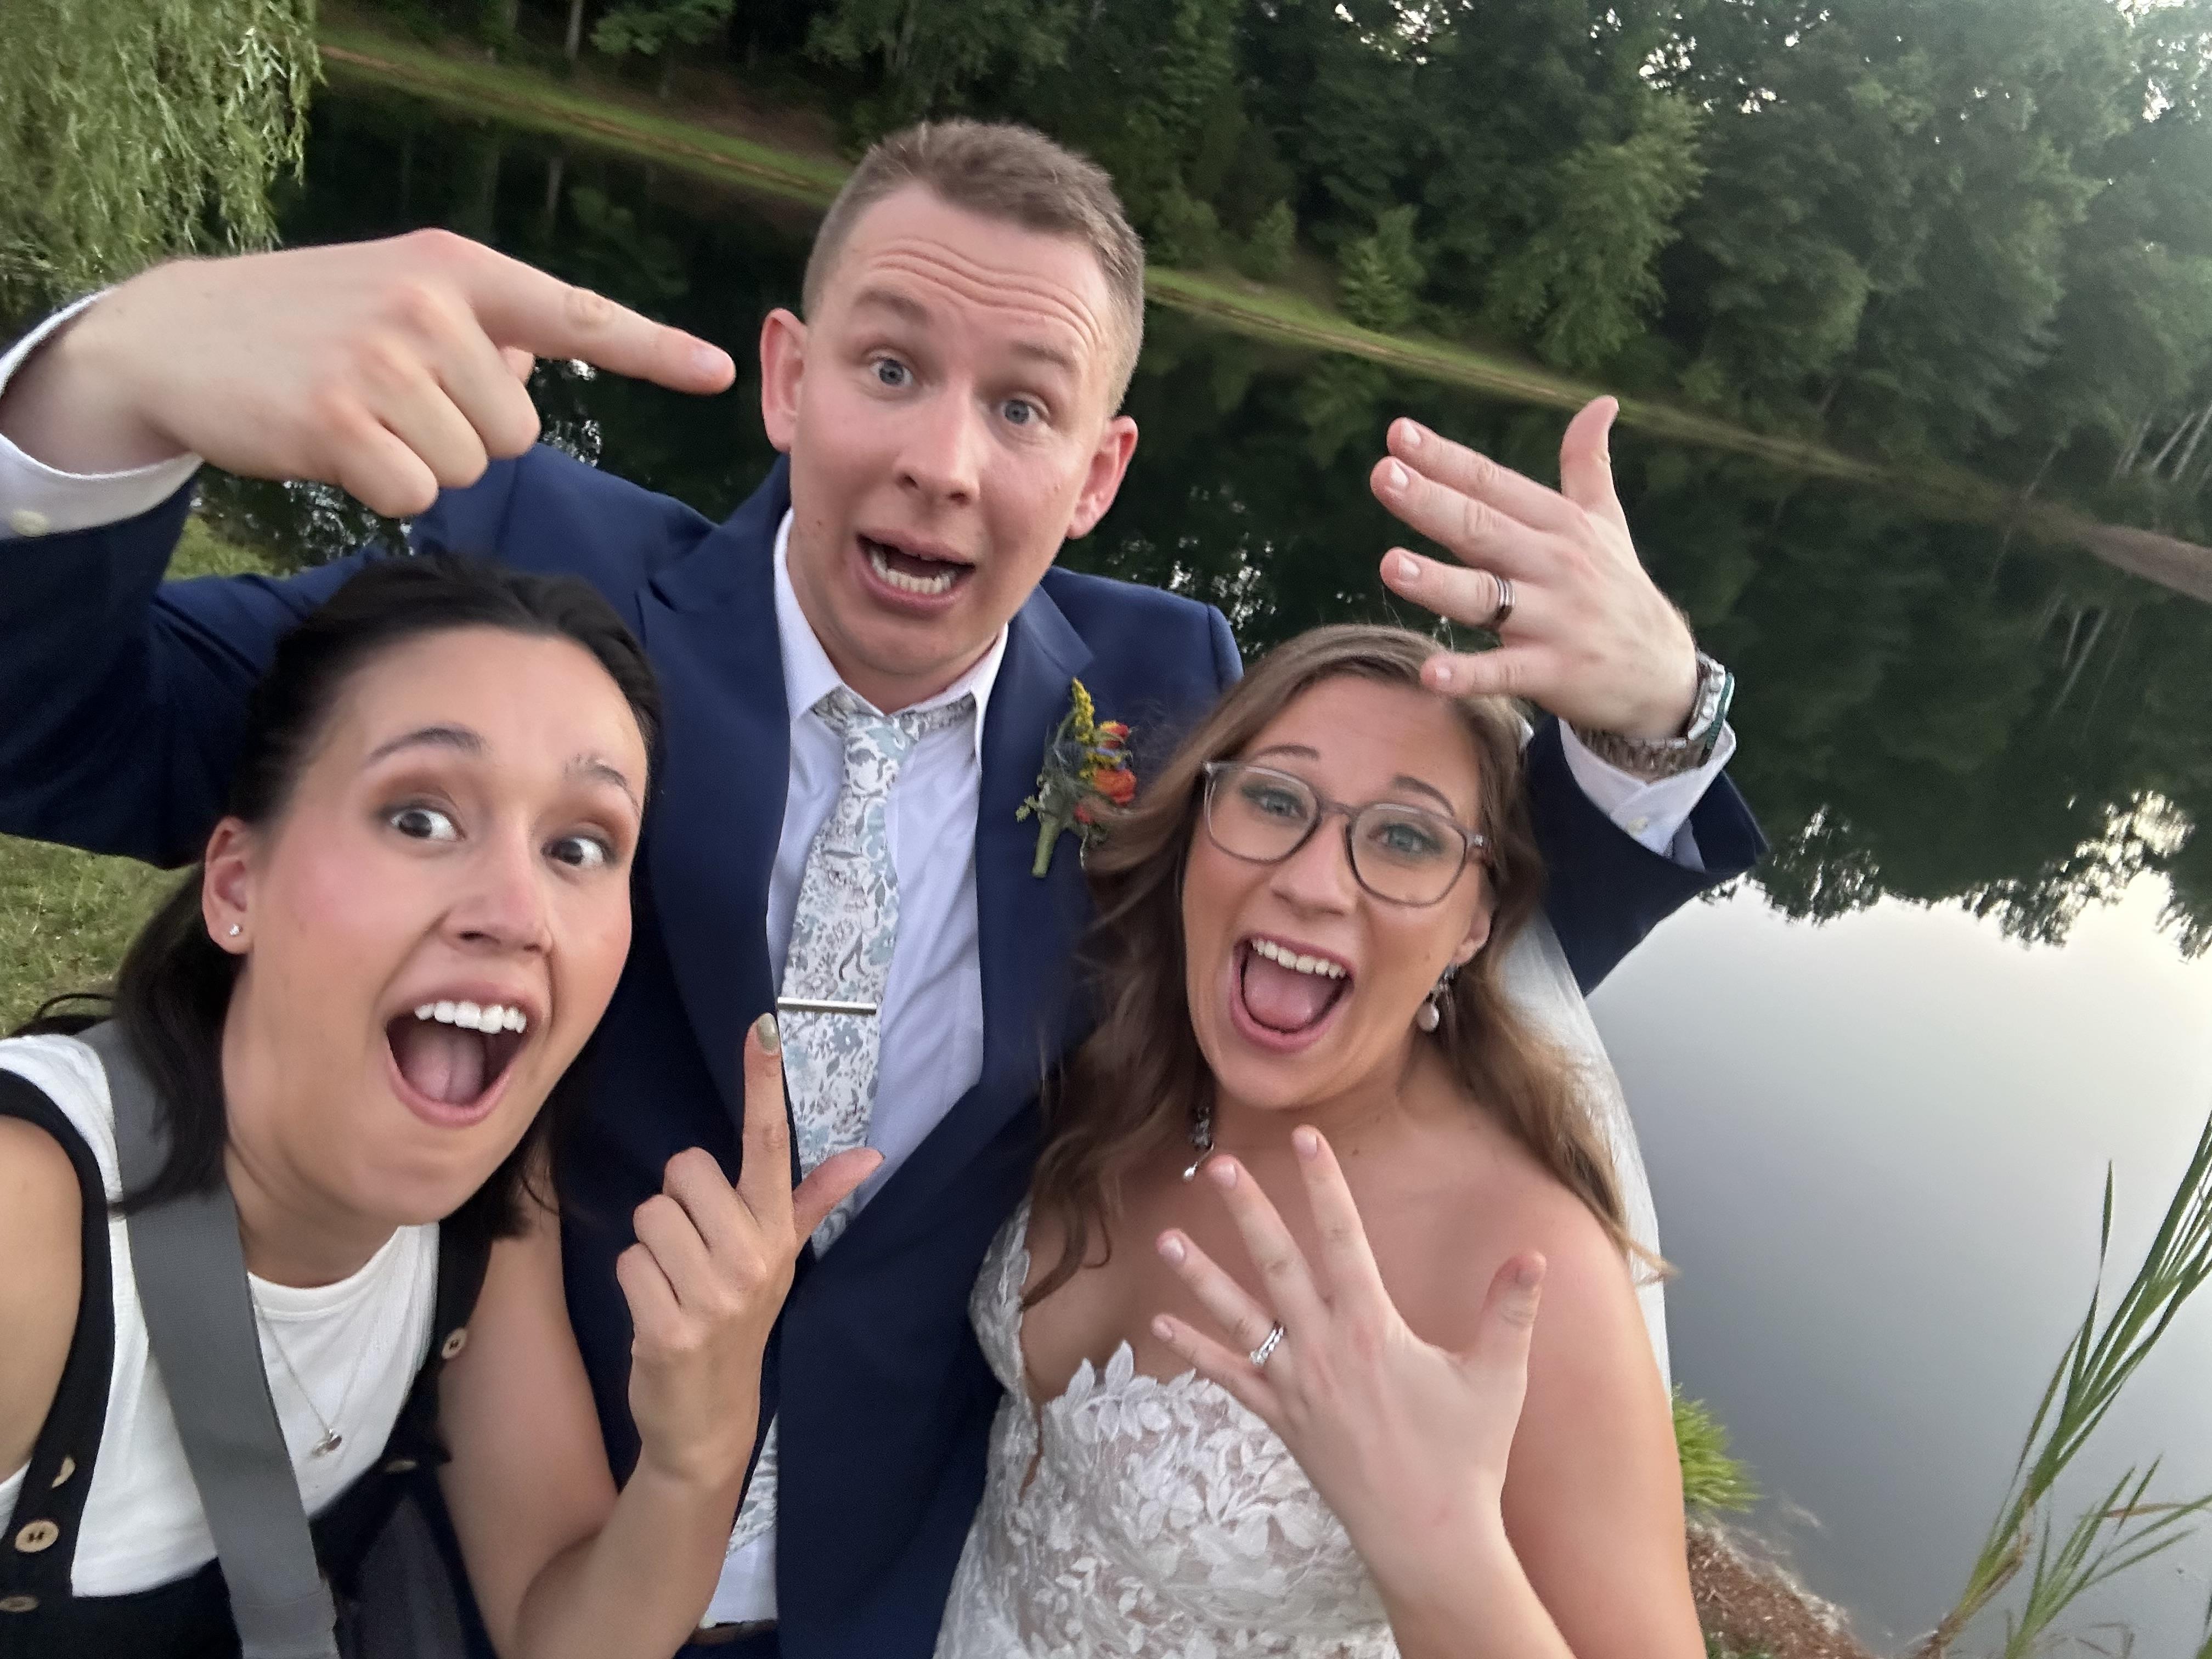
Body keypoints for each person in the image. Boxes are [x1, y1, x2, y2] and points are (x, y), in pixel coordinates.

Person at [0, 120, 1762, 1657]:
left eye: (1024, 405)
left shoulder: (1166, 692)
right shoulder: (548, 588)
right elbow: (58, 727)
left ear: (1099, 473)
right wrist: (104, 386)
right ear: (789, 378)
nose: (944, 461)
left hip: (894, 1603)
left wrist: (1654, 720)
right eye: (893, 367)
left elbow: (1407, 919)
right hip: (522, 1548)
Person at [0, 556, 876, 1656]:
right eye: (419, 819)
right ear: (235, 883)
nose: (515, 911)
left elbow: (560, 1633)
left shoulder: (488, 1210)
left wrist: (699, 1447)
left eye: (579, 847)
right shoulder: (26, 1231)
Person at [936, 625, 1699, 1658]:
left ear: (1477, 922)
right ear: (1197, 825)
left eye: (1407, 839)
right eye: (1274, 799)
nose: (1313, 882)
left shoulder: (1523, 1270)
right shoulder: (1123, 1069)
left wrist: (1439, 1550)